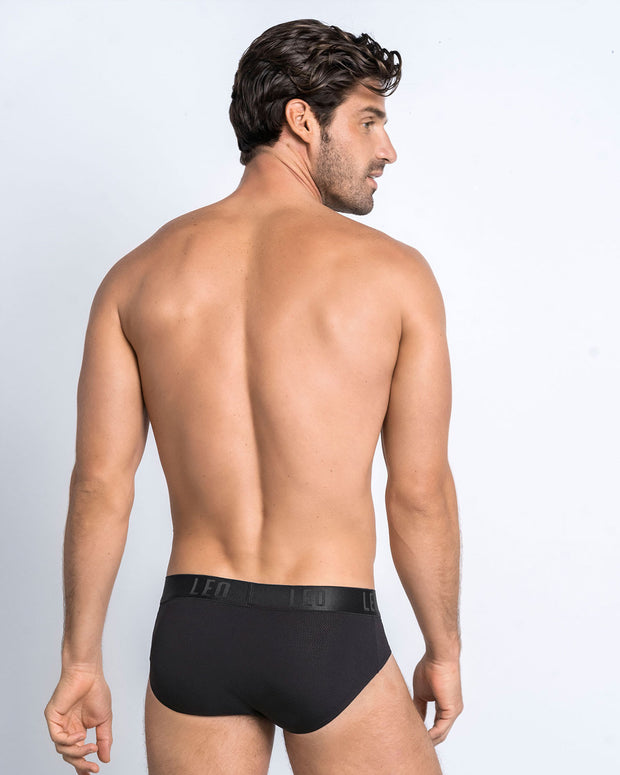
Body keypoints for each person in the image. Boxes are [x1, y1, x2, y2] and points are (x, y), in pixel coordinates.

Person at [44, 18, 463, 775]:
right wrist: (444, 648)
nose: (387, 150)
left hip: (194, 631)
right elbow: (419, 492)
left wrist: (80, 660)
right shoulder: (395, 276)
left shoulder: (135, 277)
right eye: (369, 121)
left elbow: (100, 485)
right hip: (328, 628)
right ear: (302, 119)